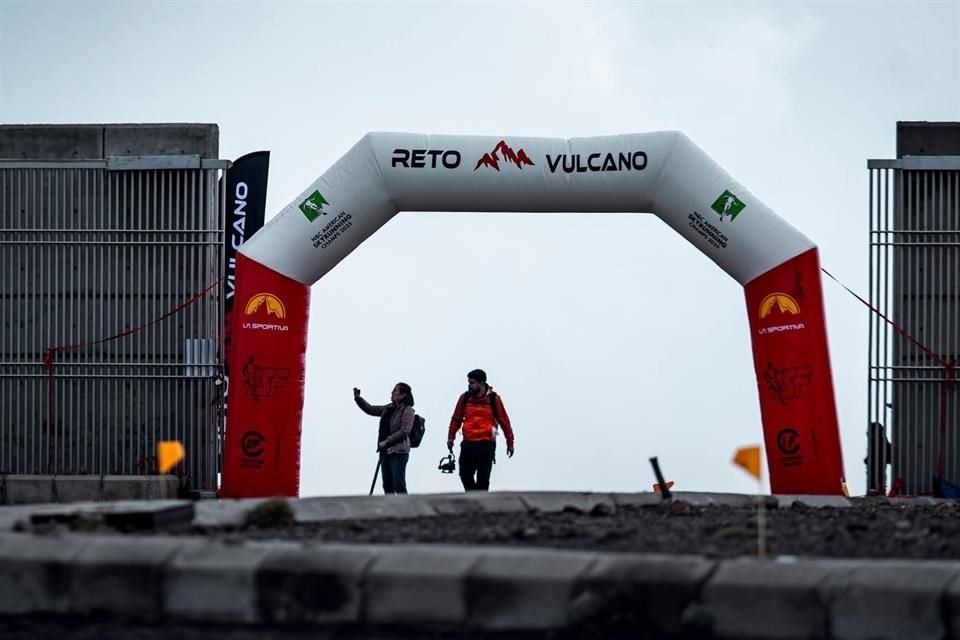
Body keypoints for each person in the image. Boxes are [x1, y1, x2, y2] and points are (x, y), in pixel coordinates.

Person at [447, 369, 514, 492]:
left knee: (483, 479)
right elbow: (456, 419)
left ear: (481, 383)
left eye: (472, 383)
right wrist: (450, 438)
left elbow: (504, 421)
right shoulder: (465, 398)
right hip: (468, 443)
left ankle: (479, 500)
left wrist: (510, 442)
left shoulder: (494, 399)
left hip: (486, 444)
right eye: (468, 382)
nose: (469, 385)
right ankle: (473, 497)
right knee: (465, 475)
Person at [354, 383, 415, 495]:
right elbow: (371, 409)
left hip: (398, 452)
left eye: (395, 390)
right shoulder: (389, 408)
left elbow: (404, 431)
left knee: (398, 484)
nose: (392, 392)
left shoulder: (407, 410)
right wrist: (358, 399)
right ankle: (391, 506)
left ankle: (404, 506)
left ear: (403, 395)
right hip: (385, 452)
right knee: (387, 485)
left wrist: (387, 441)